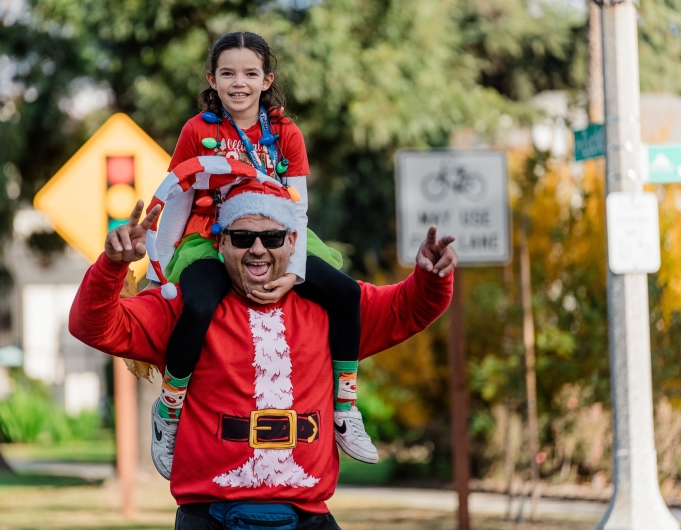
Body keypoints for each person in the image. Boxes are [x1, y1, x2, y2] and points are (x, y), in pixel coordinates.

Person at [69, 176, 457, 529]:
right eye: (241, 239)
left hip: (309, 515)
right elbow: (94, 326)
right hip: (211, 515)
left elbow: (406, 309)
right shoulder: (185, 309)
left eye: (272, 238)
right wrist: (111, 268)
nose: (257, 250)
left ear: (293, 242)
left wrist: (431, 276)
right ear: (219, 243)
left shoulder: (329, 310)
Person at [146, 30, 375, 477]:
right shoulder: (197, 130)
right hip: (213, 237)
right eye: (228, 73)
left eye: (250, 73)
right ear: (211, 79)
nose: (239, 83)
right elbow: (178, 199)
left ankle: (345, 406)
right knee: (197, 305)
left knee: (347, 296)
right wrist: (159, 270)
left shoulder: (287, 133)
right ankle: (169, 412)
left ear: (267, 79)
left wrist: (296, 270)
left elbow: (300, 209)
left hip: (282, 235)